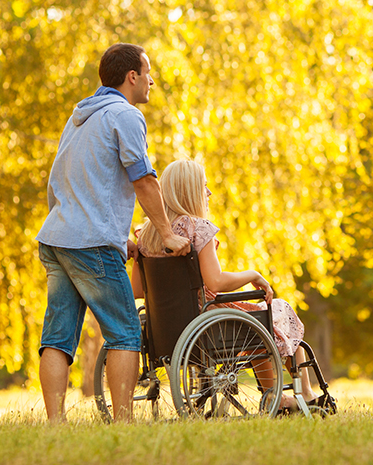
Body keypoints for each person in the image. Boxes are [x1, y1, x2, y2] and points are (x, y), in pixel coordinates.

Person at [35, 43, 192, 423]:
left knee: (58, 338)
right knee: (124, 333)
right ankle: (123, 425)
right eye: (147, 71)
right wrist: (167, 234)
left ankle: (55, 427)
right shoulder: (126, 115)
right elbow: (143, 179)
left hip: (57, 238)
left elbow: (59, 185)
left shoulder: (79, 118)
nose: (152, 79)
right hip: (90, 242)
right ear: (132, 76)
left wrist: (115, 233)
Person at [135, 159, 318, 410]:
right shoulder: (198, 229)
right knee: (277, 310)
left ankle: (275, 396)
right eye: (204, 187)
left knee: (257, 322)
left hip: (166, 330)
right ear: (189, 192)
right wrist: (252, 274)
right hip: (207, 323)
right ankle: (303, 394)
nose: (208, 193)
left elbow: (137, 289)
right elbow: (216, 281)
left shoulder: (146, 235)